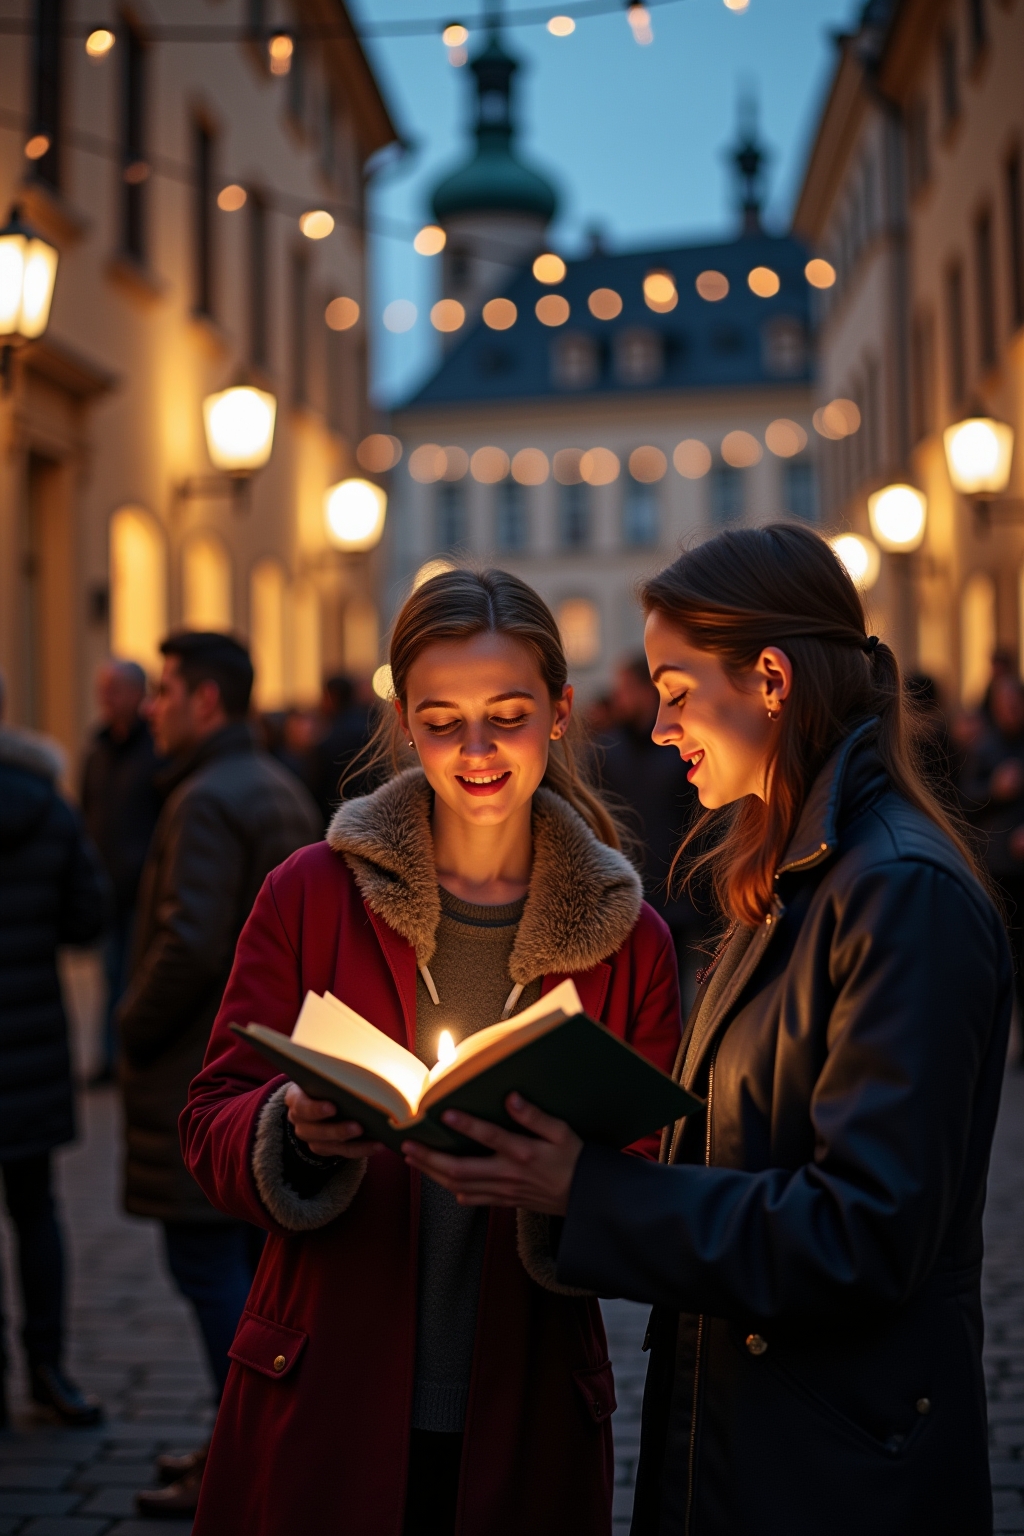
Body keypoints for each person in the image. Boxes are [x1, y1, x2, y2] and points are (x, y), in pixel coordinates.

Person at [409, 526, 1012, 1535]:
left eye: (676, 690)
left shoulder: (897, 891)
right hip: (764, 1434)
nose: (658, 728)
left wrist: (585, 1187)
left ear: (770, 679)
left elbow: (863, 1234)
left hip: (838, 1464)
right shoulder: (801, 876)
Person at [180, 569, 682, 1536]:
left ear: (561, 712)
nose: (478, 750)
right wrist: (289, 1126)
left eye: (508, 714)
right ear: (405, 721)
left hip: (526, 1399)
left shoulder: (633, 939)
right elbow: (208, 1123)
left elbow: (658, 1181)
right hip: (321, 1384)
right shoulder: (311, 892)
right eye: (443, 719)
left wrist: (574, 1182)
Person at [116, 632, 321, 1517]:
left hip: (210, 1064)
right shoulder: (271, 781)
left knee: (210, 1270)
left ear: (207, 701)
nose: (153, 709)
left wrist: (130, 1023)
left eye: (164, 692)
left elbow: (189, 940)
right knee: (242, 1263)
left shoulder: (204, 798)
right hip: (268, 1062)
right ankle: (237, 1437)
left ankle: (248, 1445)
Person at [0, 679, 110, 1428]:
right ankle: (49, 1369)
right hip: (28, 1038)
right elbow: (87, 918)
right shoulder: (45, 801)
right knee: (35, 1210)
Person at [594, 655, 710, 1005]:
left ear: (648, 693)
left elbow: (701, 823)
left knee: (677, 998)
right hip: (626, 896)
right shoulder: (605, 752)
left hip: (678, 898)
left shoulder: (680, 754)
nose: (618, 698)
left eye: (625, 689)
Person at [80, 659, 161, 1084]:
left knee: (136, 979)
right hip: (105, 887)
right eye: (103, 689)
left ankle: (131, 1057)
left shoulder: (155, 752)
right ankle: (110, 1059)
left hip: (143, 889)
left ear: (137, 693)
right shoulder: (97, 751)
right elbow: (86, 812)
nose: (106, 699)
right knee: (109, 977)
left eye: (115, 689)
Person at [304, 672, 374, 825]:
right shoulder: (368, 727)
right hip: (369, 812)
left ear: (332, 696)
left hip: (338, 816)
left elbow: (321, 784)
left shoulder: (332, 736)